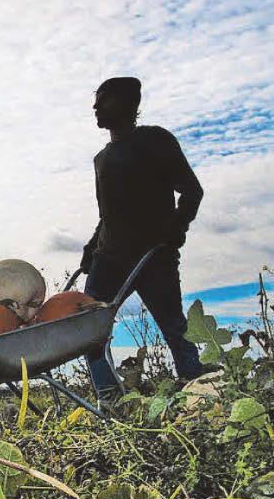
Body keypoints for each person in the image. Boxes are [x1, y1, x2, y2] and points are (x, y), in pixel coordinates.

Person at [79, 77, 207, 403]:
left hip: (153, 257)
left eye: (103, 100)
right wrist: (91, 248)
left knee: (175, 329)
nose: (95, 107)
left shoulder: (155, 141)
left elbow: (192, 191)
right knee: (88, 333)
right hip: (108, 260)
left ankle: (199, 395)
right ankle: (110, 399)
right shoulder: (102, 159)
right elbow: (108, 215)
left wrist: (175, 232)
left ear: (128, 104)